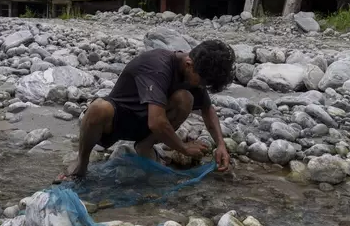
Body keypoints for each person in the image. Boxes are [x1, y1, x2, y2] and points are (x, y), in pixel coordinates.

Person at [61, 39, 236, 180]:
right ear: (189, 63)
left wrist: (220, 144)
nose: (201, 86)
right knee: (97, 108)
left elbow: (207, 109)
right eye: (202, 81)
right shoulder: (158, 66)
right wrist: (184, 148)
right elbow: (156, 122)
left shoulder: (195, 73)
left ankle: (145, 146)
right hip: (120, 119)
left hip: (146, 124)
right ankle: (81, 162)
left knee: (185, 98)